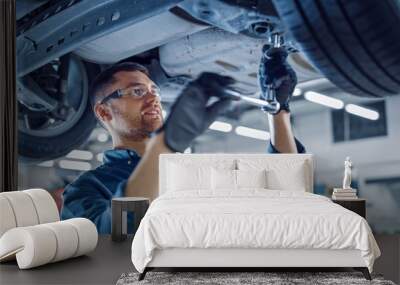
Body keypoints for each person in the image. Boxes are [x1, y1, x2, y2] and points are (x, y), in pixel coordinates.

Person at [61, 46, 305, 233]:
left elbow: (282, 188)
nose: (153, 99)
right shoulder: (87, 188)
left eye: (154, 91)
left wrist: (279, 110)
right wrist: (164, 145)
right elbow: (113, 238)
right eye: (137, 92)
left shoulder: (197, 171)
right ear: (104, 112)